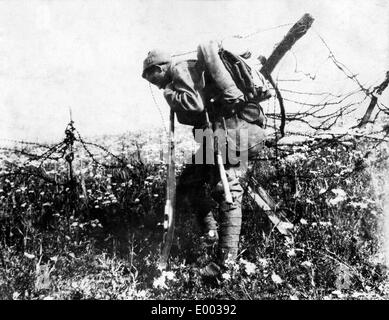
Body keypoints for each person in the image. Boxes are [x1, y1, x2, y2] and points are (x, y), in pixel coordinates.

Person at [142, 42, 269, 277]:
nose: (154, 84)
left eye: (152, 77)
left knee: (227, 190)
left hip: (233, 133)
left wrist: (169, 93)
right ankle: (210, 233)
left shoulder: (179, 70)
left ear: (160, 68)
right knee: (190, 182)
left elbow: (194, 103)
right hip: (217, 135)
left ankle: (226, 263)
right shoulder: (182, 72)